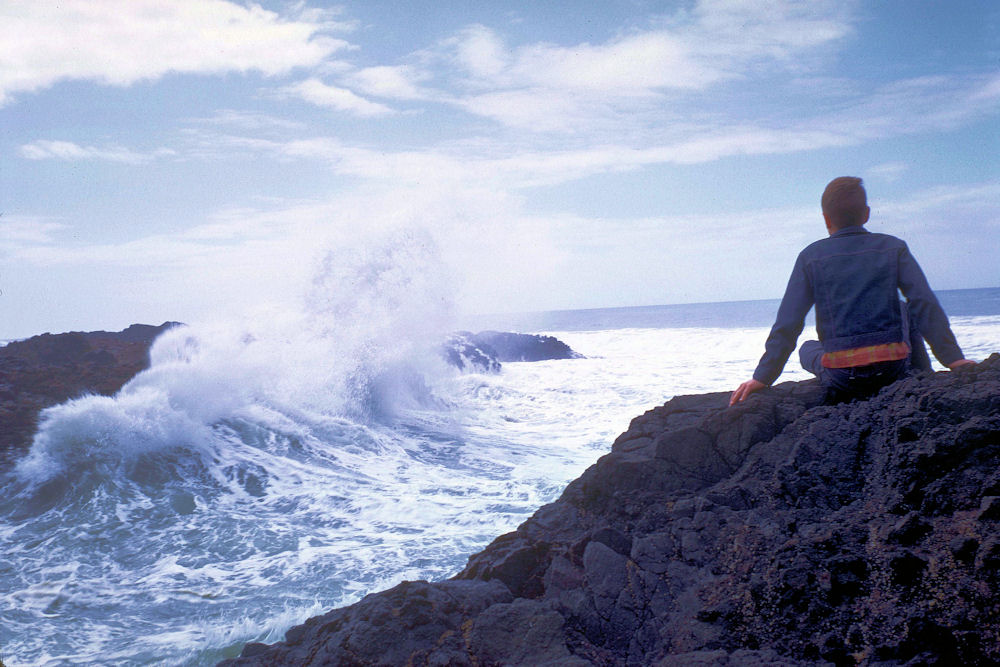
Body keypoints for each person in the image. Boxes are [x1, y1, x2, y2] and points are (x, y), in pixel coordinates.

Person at [730, 176, 975, 406]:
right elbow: (924, 303)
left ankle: (914, 373)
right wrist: (953, 359)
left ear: (826, 219)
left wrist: (763, 377)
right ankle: (923, 375)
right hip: (894, 370)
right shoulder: (893, 247)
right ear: (866, 214)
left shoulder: (810, 257)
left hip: (842, 377)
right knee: (905, 308)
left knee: (807, 347)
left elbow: (788, 322)